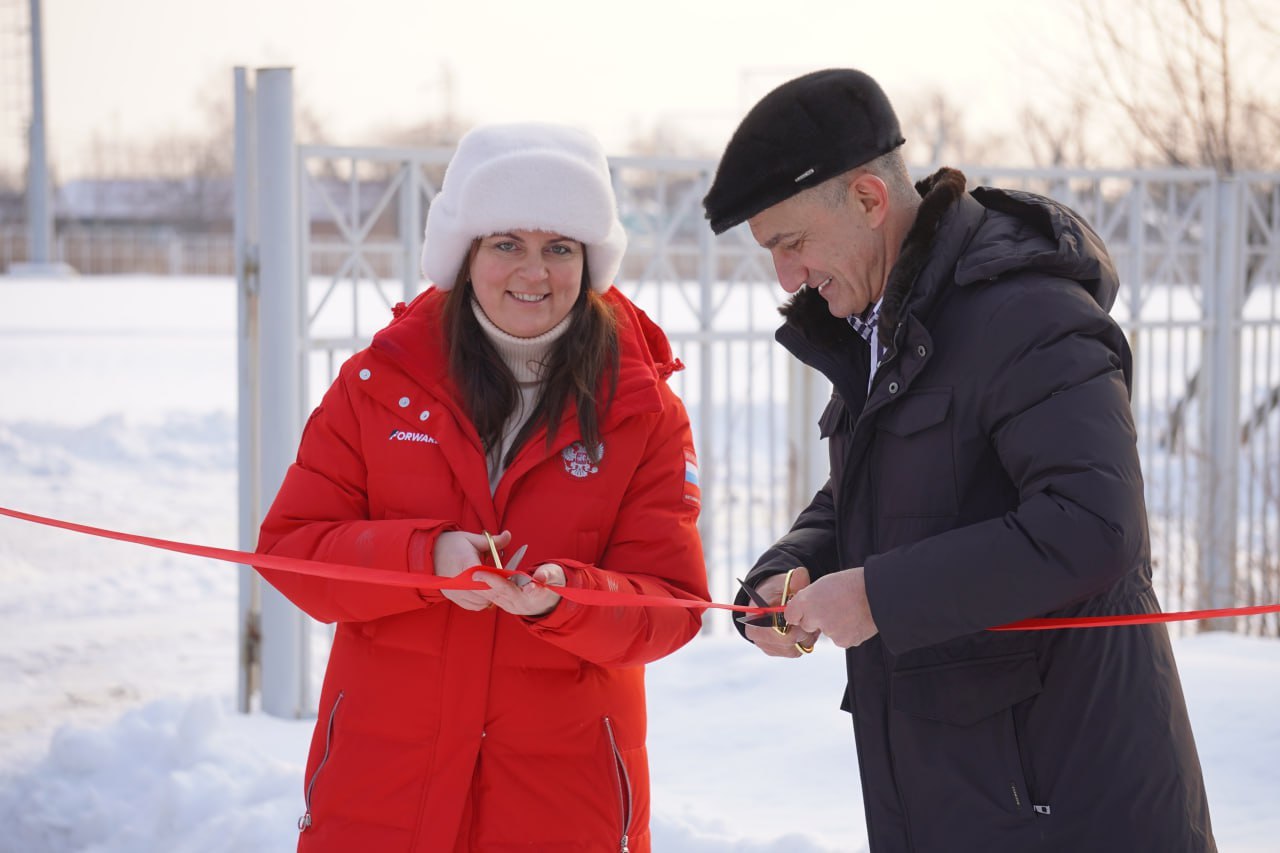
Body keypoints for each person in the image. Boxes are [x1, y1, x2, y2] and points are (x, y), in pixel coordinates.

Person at [703, 69, 1216, 852]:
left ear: (871, 201)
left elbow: (1092, 524)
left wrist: (879, 594)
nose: (787, 276)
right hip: (950, 792)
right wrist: (793, 566)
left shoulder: (1027, 311)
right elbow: (878, 490)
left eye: (793, 243)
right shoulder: (890, 319)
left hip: (1068, 803)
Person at [255, 122, 708, 852]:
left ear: (590, 260)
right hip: (381, 798)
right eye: (507, 243)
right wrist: (425, 562)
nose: (534, 271)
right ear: (465, 253)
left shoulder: (644, 408)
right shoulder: (378, 385)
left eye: (559, 246)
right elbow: (290, 551)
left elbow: (673, 605)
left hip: (563, 806)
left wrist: (566, 598)